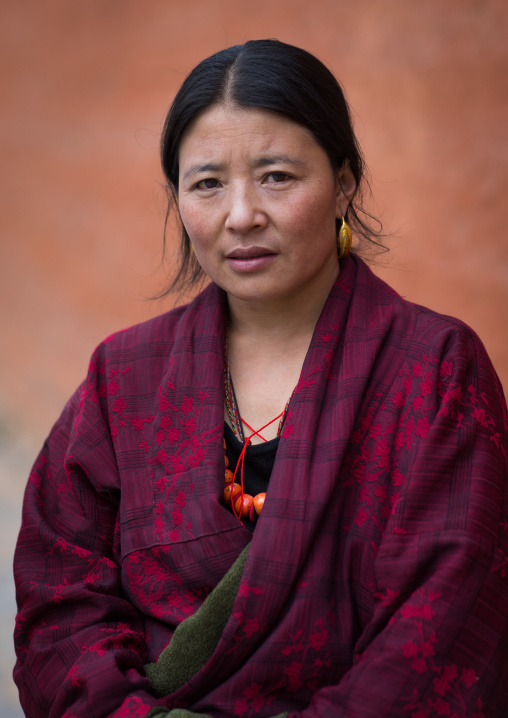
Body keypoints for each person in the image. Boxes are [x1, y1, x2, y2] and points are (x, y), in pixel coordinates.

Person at [13, 39, 508, 718]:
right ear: (179, 198)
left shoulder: (435, 371)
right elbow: (58, 603)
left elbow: (442, 634)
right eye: (207, 183)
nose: (241, 214)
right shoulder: (122, 378)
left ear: (343, 182)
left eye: (276, 176)